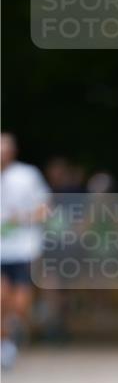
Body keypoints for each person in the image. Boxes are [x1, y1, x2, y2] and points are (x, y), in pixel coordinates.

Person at [0, 133, 50, 368]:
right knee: (1, 297)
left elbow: (44, 209)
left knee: (19, 304)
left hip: (23, 248)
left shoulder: (27, 175)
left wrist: (23, 218)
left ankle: (11, 333)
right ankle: (6, 344)